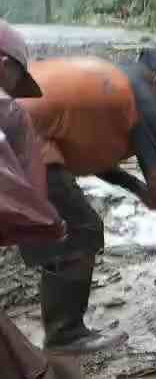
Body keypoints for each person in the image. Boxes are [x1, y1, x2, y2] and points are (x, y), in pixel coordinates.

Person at [12, 29, 156, 353]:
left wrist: (134, 186)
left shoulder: (113, 84)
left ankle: (57, 331)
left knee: (61, 230)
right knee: (79, 229)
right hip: (19, 142)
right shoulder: (140, 99)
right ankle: (65, 336)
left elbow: (92, 154)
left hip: (16, 136)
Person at [0, 20, 80, 379]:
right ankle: (60, 339)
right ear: (4, 67)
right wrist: (47, 221)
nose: (13, 92)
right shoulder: (8, 112)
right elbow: (18, 193)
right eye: (13, 83)